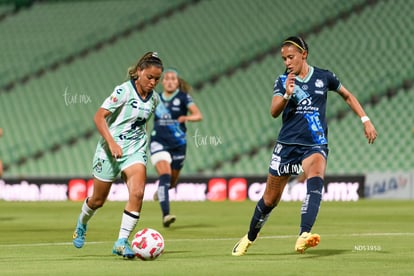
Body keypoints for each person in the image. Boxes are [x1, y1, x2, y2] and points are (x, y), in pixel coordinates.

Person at [232, 36, 377, 256]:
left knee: (316, 177)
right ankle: (249, 237)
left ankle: (304, 235)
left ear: (304, 54)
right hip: (287, 145)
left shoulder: (323, 77)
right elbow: (273, 112)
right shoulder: (282, 81)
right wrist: (288, 94)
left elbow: (347, 96)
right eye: (284, 59)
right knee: (270, 200)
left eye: (291, 57)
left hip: (315, 143)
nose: (287, 62)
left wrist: (365, 120)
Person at [72, 52, 163, 259]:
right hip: (109, 151)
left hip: (134, 151)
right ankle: (82, 223)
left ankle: (121, 241)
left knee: (138, 193)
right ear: (139, 71)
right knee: (97, 200)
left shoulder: (154, 99)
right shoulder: (123, 91)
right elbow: (99, 117)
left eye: (156, 79)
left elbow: (143, 123)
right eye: (149, 77)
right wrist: (112, 143)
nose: (152, 82)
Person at [150, 68, 202, 227]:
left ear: (178, 82)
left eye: (173, 78)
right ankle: (166, 215)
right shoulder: (156, 98)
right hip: (158, 142)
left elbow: (198, 115)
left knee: (171, 183)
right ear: (163, 82)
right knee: (164, 176)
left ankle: (161, 191)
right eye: (167, 78)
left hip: (178, 144)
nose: (170, 81)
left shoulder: (184, 97)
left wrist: (186, 117)